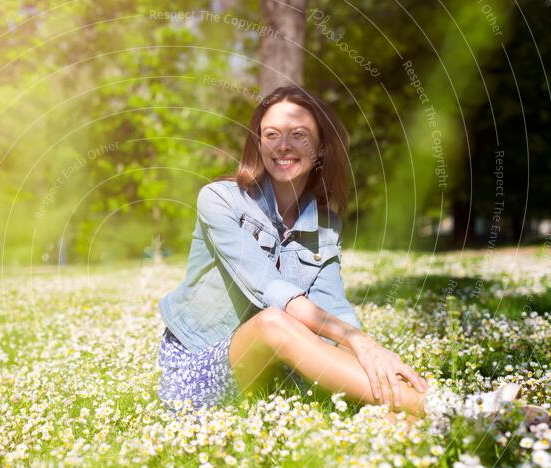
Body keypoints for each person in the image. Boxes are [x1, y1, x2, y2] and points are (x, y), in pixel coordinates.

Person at [157, 85, 545, 434]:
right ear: (258, 145)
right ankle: (459, 410)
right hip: (199, 372)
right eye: (271, 135)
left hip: (275, 367)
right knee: (274, 322)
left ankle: (438, 414)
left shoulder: (325, 223)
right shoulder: (219, 199)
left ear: (321, 148)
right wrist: (355, 340)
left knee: (377, 402)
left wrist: (368, 349)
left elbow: (334, 305)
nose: (283, 145)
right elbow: (271, 289)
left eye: (299, 135)